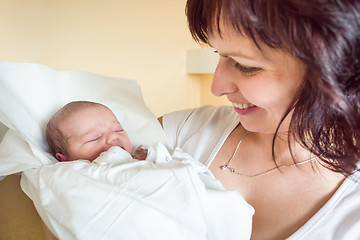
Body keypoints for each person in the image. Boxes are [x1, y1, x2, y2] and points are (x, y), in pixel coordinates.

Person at [160, 0, 360, 239]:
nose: (217, 87)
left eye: (245, 66)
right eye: (218, 53)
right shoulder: (181, 133)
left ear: (335, 68)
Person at [46, 101, 147, 162]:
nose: (113, 136)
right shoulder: (77, 174)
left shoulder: (141, 158)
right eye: (94, 138)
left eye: (118, 130)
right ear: (64, 159)